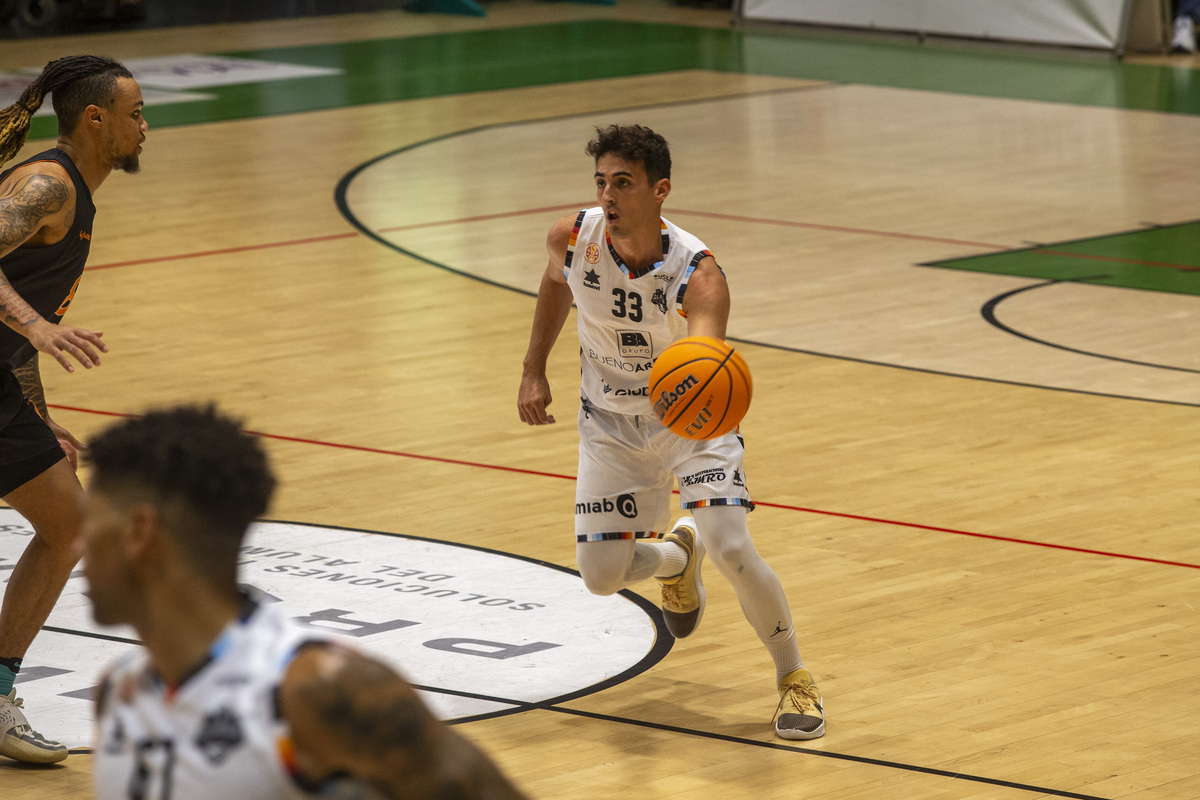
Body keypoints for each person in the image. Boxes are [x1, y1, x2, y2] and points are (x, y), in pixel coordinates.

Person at [517, 124, 824, 740]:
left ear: (659, 192)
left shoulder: (699, 273)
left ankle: (795, 679)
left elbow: (704, 366)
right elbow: (556, 284)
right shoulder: (573, 238)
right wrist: (533, 368)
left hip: (691, 422)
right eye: (601, 181)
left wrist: (688, 410)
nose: (608, 195)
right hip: (607, 422)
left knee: (733, 548)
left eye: (623, 183)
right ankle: (676, 560)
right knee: (601, 577)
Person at [83, 405, 530, 800]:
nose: (79, 546)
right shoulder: (117, 691)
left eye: (90, 523)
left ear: (140, 533)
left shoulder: (312, 691)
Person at [0, 54, 145, 764]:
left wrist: (36, 412)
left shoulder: (71, 195)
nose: (144, 128)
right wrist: (35, 327)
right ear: (96, 119)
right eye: (136, 115)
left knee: (68, 524)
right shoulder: (46, 184)